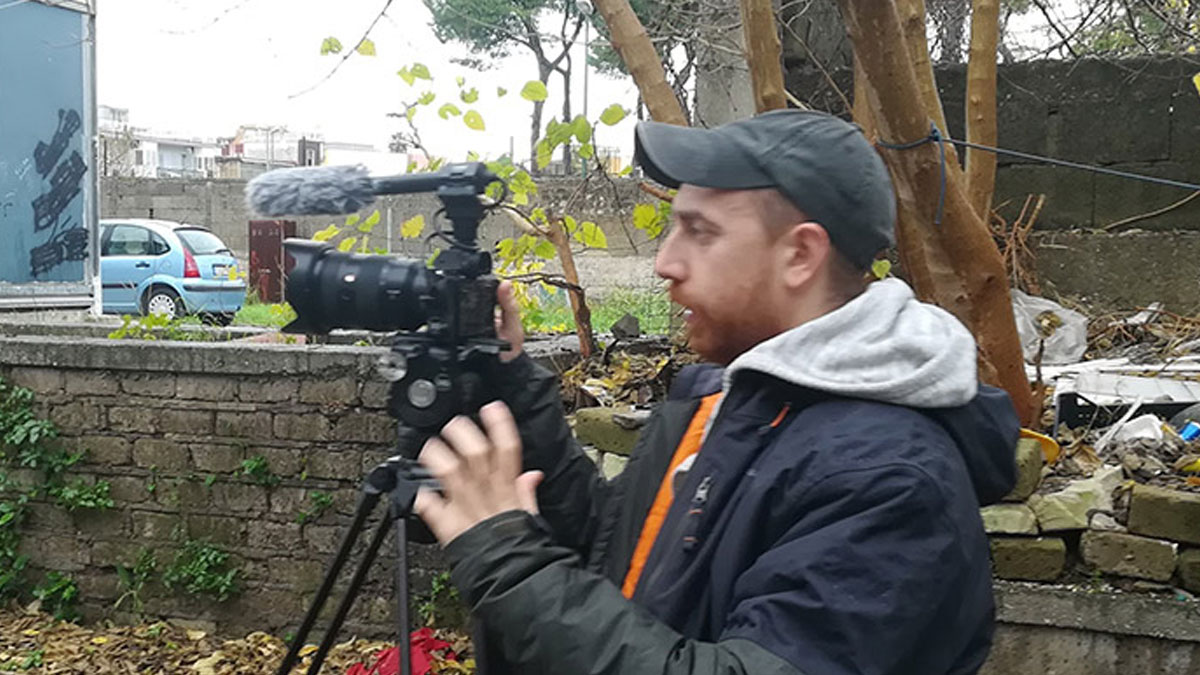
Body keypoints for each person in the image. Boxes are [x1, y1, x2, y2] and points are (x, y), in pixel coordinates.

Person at [412, 109, 1020, 675]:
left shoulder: (890, 480)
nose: (665, 263)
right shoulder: (729, 398)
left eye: (699, 232)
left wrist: (507, 563)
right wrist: (511, 381)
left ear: (801, 254)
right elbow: (617, 556)